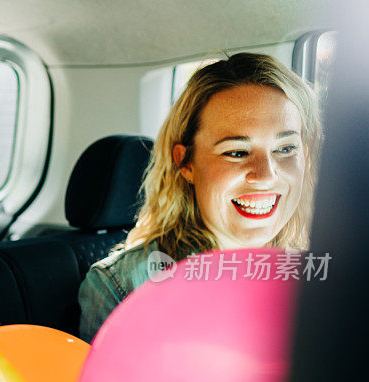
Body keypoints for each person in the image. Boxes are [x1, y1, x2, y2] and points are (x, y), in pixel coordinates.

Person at [78, 53, 321, 342]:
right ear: (186, 163)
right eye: (236, 152)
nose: (266, 175)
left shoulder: (323, 273)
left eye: (285, 149)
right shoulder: (123, 286)